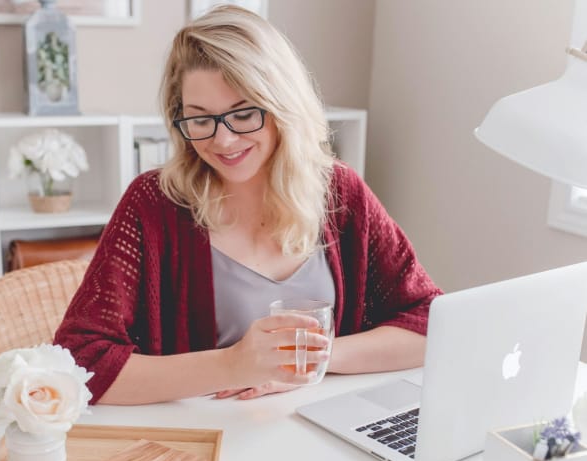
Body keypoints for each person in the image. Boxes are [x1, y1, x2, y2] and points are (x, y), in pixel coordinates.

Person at [54, 5, 442, 405]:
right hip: (202, 444)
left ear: (282, 107)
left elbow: (432, 322)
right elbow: (79, 362)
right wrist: (234, 364)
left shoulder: (340, 193)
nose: (222, 141)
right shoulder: (153, 205)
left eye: (243, 114)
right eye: (200, 118)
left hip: (318, 433)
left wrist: (311, 360)